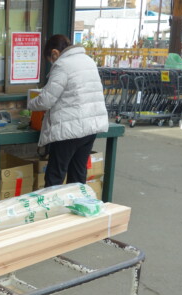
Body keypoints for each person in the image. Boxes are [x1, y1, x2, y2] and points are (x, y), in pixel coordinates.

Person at [28, 34, 108, 188]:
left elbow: (46, 100)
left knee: (55, 175)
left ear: (55, 53)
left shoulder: (62, 65)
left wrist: (30, 104)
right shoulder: (88, 60)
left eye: (50, 59)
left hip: (69, 128)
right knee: (78, 173)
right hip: (90, 127)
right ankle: (77, 202)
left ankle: (53, 203)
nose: (52, 63)